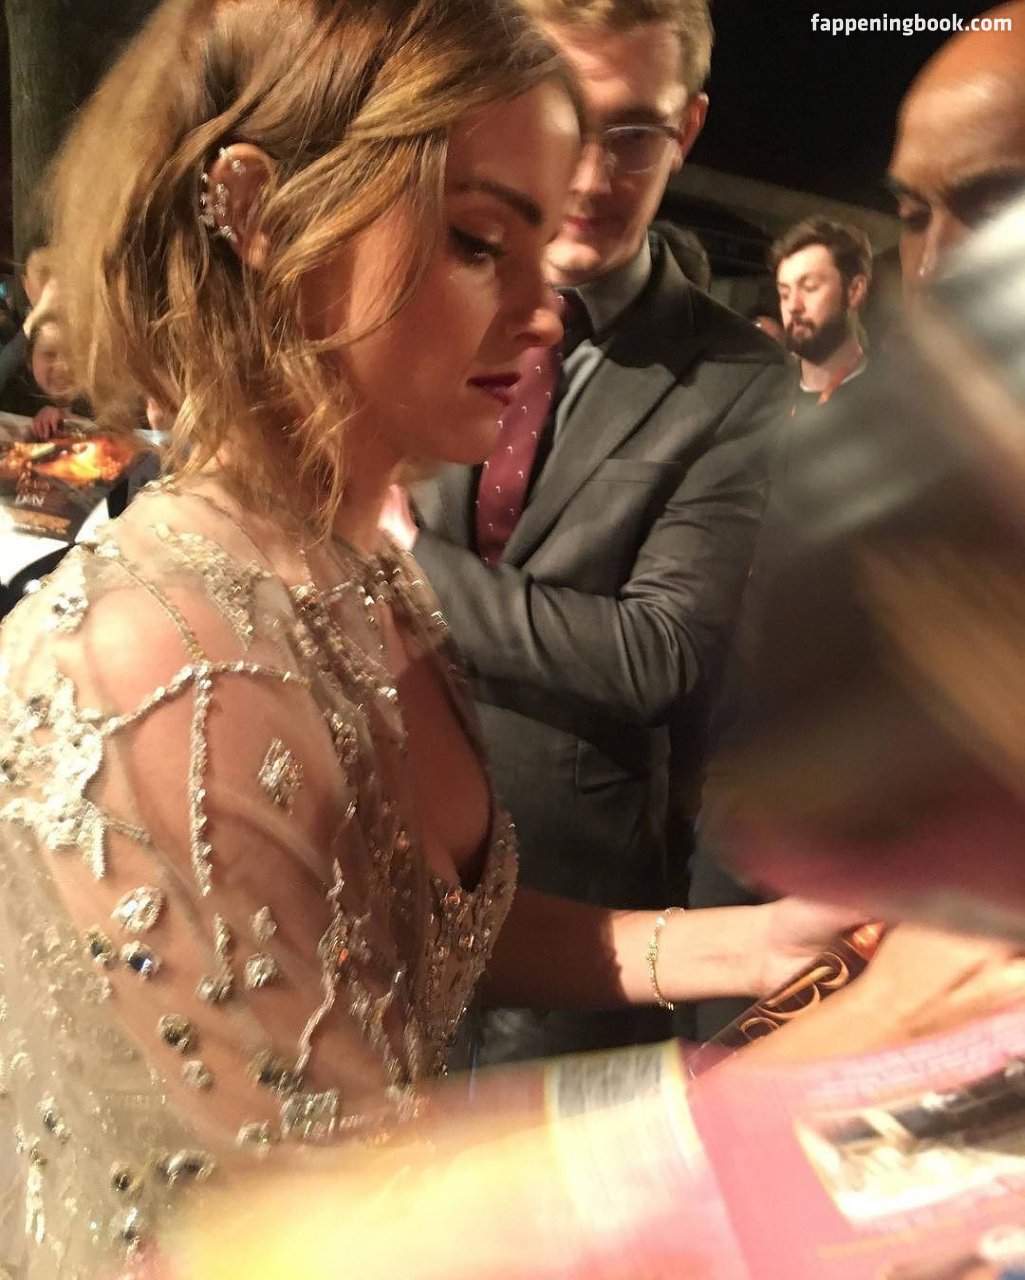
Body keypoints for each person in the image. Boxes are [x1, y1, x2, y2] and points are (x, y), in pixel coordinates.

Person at [0, 1, 849, 1274]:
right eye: (477, 241)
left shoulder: (364, 577)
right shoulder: (173, 672)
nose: (543, 305)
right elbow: (338, 1224)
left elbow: (406, 921)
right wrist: (810, 1093)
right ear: (266, 215)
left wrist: (749, 942)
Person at [384, 0, 792, 1064]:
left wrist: (400, 559)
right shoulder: (408, 294)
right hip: (362, 843)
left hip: (579, 904)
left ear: (687, 129)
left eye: (635, 132)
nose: (593, 174)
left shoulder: (733, 378)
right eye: (564, 113)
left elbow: (658, 651)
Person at [771, 216, 872, 417]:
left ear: (855, 291)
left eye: (810, 287)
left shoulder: (890, 401)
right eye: (784, 294)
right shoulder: (765, 398)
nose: (793, 306)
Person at [0, 311, 91, 436]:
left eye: (72, 354)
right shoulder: (13, 399)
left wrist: (70, 419)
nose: (63, 366)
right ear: (29, 360)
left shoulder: (100, 401)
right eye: (49, 355)